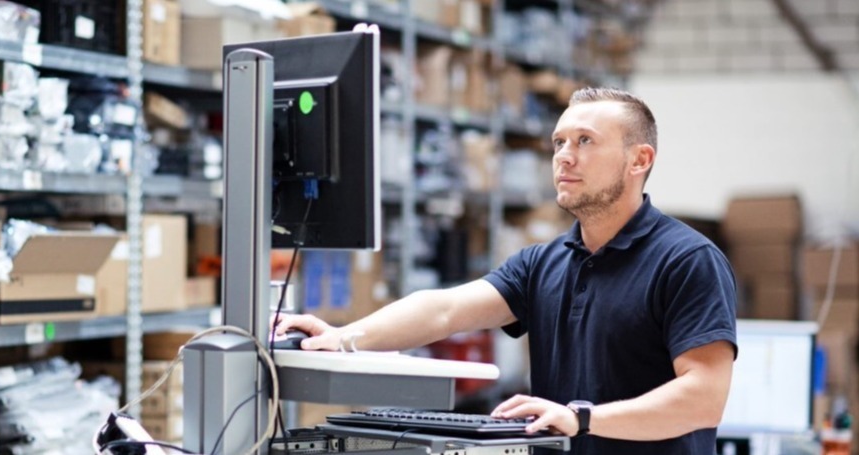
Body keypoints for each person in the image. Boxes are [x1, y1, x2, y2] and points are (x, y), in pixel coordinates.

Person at [274, 87, 738, 454]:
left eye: (585, 141)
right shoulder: (545, 263)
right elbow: (445, 311)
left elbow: (703, 397)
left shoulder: (686, 261)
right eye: (558, 142)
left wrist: (582, 418)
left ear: (639, 160)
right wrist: (343, 337)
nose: (564, 156)